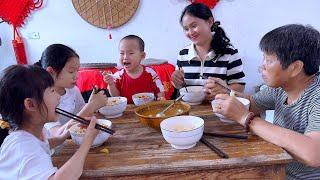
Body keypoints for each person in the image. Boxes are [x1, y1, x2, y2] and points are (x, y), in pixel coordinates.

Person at [212, 24, 320, 179]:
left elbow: (314, 154)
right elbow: (252, 103)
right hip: (277, 171)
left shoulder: (317, 96)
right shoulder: (280, 87)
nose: (261, 66)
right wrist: (225, 90)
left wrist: (246, 118)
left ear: (295, 68)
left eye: (268, 60)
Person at [0, 65, 99, 179]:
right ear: (31, 104)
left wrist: (64, 135)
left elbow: (43, 145)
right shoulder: (22, 147)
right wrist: (87, 141)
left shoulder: (33, 133)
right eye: (52, 91)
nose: (58, 96)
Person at [171, 3, 245, 100]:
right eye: (186, 29)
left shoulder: (229, 53)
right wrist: (176, 82)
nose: (190, 32)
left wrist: (224, 90)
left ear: (210, 21)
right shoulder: (183, 54)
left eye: (194, 26)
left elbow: (240, 87)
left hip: (219, 109)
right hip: (190, 110)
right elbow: (181, 87)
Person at [38, 44, 107, 137]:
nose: (77, 76)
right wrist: (90, 106)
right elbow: (57, 134)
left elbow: (84, 115)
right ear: (51, 72)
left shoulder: (73, 90)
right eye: (71, 71)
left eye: (77, 70)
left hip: (77, 139)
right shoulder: (42, 99)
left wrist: (92, 105)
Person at [103, 35, 165, 103]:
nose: (125, 57)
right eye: (122, 53)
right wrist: (111, 84)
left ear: (142, 56)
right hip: (127, 111)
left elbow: (160, 90)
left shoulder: (150, 73)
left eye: (131, 53)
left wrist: (161, 98)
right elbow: (116, 96)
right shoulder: (118, 76)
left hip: (148, 109)